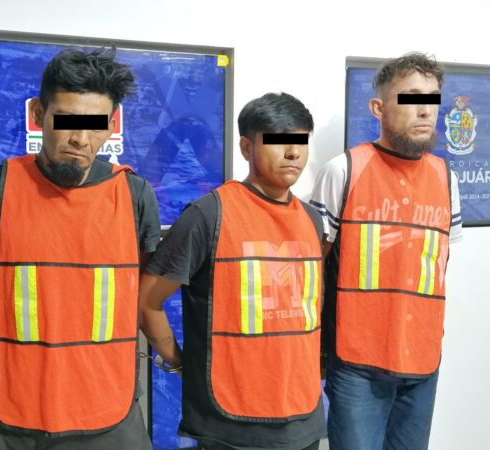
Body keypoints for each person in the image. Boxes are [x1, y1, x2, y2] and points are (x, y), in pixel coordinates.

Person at [0, 48, 160, 449]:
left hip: (112, 403)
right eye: (67, 121)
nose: (81, 139)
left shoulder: (134, 194)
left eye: (96, 125)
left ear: (111, 126)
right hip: (25, 406)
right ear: (38, 114)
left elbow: (141, 290)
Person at [139, 92, 327, 450]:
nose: (293, 153)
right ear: (246, 147)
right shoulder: (208, 215)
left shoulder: (311, 220)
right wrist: (179, 363)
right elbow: (147, 301)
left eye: (301, 141)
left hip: (302, 416)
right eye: (278, 141)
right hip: (229, 422)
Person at [310, 52, 463, 450]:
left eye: (432, 99)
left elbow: (439, 265)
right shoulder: (344, 170)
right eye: (411, 98)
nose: (425, 111)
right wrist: (316, 350)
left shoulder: (446, 178)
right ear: (378, 108)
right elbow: (311, 269)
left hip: (423, 359)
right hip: (357, 361)